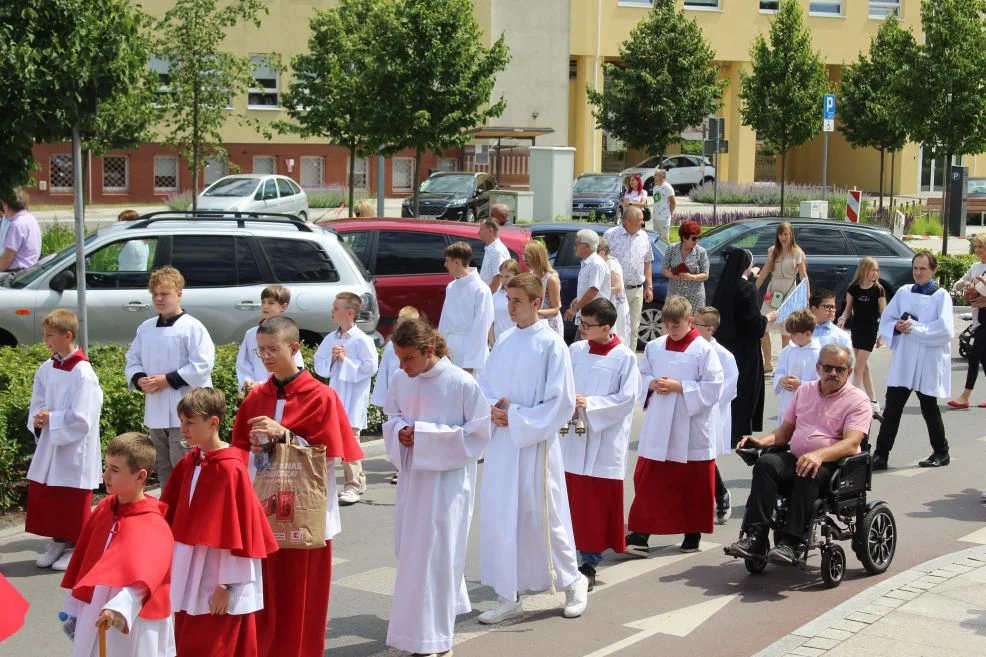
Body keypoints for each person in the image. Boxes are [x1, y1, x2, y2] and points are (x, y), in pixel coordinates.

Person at [232, 316, 363, 657]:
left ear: (294, 348)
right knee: (262, 594)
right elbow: (239, 453)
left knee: (301, 595)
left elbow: (328, 458)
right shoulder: (255, 397)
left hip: (305, 513)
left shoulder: (322, 397)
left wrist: (285, 435)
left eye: (273, 349)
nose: (266, 357)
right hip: (263, 510)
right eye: (261, 351)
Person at [476, 273, 589, 624]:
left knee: (545, 514)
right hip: (504, 444)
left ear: (537, 303)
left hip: (535, 443)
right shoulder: (506, 341)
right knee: (502, 515)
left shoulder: (552, 345)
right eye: (508, 300)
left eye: (517, 301)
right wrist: (493, 408)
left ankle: (573, 581)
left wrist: (519, 417)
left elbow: (562, 400)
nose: (509, 308)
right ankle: (508, 594)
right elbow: (485, 384)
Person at [382, 320, 490, 657]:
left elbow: (478, 435)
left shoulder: (461, 382)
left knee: (438, 556)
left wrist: (424, 435)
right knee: (411, 553)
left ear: (429, 351)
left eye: (408, 358)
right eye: (398, 358)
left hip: (447, 486)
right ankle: (420, 628)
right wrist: (400, 431)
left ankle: (435, 640)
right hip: (413, 481)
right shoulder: (402, 380)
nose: (401, 366)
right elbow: (391, 415)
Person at [725, 344, 870, 565]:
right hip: (799, 457)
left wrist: (819, 455)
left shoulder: (857, 400)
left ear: (849, 372)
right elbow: (784, 433)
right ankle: (756, 536)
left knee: (807, 468)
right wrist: (760, 441)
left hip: (834, 466)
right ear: (818, 367)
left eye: (840, 369)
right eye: (828, 368)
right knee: (766, 463)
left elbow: (851, 444)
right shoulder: (805, 391)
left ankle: (790, 543)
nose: (833, 373)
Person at [161, 388, 278, 657]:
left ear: (213, 423)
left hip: (219, 577)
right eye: (181, 421)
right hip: (191, 571)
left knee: (217, 644)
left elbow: (238, 532)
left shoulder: (230, 467)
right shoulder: (191, 461)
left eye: (190, 422)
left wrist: (228, 586)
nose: (183, 429)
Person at [60, 433, 176, 657]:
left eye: (114, 469)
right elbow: (84, 562)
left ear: (140, 476)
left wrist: (119, 607)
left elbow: (146, 580)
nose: (105, 475)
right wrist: (73, 606)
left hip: (131, 618)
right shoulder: (104, 508)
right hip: (95, 606)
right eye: (106, 466)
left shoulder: (152, 524)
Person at [626, 295, 723, 555]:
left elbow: (714, 387)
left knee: (693, 484)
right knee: (650, 480)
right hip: (659, 423)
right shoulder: (655, 346)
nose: (670, 330)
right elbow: (642, 373)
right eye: (666, 325)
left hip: (690, 425)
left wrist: (681, 387)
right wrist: (651, 384)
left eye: (676, 325)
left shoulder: (704, 350)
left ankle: (692, 533)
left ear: (690, 321)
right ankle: (640, 534)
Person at [563, 298, 639, 590]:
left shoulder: (624, 358)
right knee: (571, 498)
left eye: (587, 324)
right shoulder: (575, 350)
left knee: (594, 503)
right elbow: (562, 383)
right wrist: (567, 402)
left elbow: (626, 399)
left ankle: (589, 562)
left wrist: (589, 404)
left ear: (606, 327)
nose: (581, 328)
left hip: (603, 439)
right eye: (580, 322)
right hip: (573, 434)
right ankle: (567, 555)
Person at [26, 309, 103, 572]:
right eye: (44, 335)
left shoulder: (83, 373)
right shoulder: (47, 368)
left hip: (74, 449)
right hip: (50, 443)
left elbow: (84, 418)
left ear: (67, 335)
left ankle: (77, 546)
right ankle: (58, 541)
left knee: (72, 499)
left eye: (50, 335)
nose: (45, 340)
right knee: (51, 496)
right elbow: (37, 401)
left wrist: (54, 419)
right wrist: (37, 419)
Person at [125, 266, 215, 488]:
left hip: (184, 410)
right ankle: (169, 512)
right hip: (156, 410)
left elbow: (202, 364)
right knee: (163, 467)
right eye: (155, 294)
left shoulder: (193, 327)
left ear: (179, 294)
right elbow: (132, 359)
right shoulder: (145, 328)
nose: (158, 298)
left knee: (184, 463)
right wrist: (139, 379)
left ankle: (190, 511)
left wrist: (167, 380)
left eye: (164, 294)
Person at [873, 252, 953, 471]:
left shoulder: (941, 296)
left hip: (927, 360)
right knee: (892, 409)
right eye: (915, 268)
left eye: (923, 269)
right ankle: (881, 455)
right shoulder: (903, 292)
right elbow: (887, 319)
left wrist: (914, 329)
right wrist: (896, 328)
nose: (918, 273)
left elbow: (945, 329)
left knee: (929, 408)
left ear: (933, 270)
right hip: (905, 360)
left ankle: (941, 451)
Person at [314, 292, 379, 506]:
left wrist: (346, 361)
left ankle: (352, 485)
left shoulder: (363, 340)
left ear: (349, 313)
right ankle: (357, 480)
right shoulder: (330, 338)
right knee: (336, 436)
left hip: (354, 397)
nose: (332, 311)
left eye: (336, 308)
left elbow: (370, 367)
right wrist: (333, 360)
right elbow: (320, 364)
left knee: (350, 437)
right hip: (336, 393)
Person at [712, 249, 777, 447]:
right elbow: (753, 324)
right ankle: (738, 432)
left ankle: (723, 428)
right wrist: (767, 318)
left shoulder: (723, 285)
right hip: (744, 348)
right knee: (744, 389)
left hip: (724, 345)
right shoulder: (747, 289)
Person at [693, 306, 739, 525]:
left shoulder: (724, 355)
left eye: (697, 324)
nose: (691, 326)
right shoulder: (690, 349)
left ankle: (721, 495)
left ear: (709, 329)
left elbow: (730, 388)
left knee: (706, 459)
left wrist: (704, 397)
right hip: (688, 410)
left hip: (711, 414)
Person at [372, 305, 420, 485]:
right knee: (398, 430)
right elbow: (384, 371)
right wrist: (383, 397)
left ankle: (414, 465)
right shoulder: (391, 346)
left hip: (414, 394)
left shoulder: (419, 345)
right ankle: (399, 468)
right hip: (397, 394)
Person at [837, 257, 887, 419]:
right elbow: (847, 310)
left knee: (858, 367)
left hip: (870, 331)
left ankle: (853, 402)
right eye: (873, 270)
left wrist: (883, 335)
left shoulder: (878, 289)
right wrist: (842, 319)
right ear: (864, 270)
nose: (875, 273)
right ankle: (873, 402)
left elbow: (883, 313)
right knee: (864, 367)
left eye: (877, 270)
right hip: (857, 330)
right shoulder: (853, 289)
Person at [755, 222, 809, 370]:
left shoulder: (797, 252)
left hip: (789, 292)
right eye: (781, 234)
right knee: (763, 327)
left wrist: (806, 294)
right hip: (772, 292)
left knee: (786, 331)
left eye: (786, 234)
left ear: (791, 234)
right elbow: (765, 271)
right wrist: (753, 289)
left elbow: (804, 275)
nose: (783, 237)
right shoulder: (773, 251)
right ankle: (767, 363)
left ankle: (783, 363)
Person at [438, 241, 494, 375]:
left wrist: (470, 363)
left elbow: (481, 327)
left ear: (457, 261)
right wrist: (440, 349)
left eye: (447, 261)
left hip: (470, 351)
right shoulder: (451, 287)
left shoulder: (481, 290)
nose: (445, 265)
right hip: (451, 350)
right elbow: (444, 321)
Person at [236, 284, 305, 393]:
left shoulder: (286, 332)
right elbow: (243, 363)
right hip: (256, 392)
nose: (265, 306)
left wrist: (264, 385)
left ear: (283, 306)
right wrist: (248, 382)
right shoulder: (251, 334)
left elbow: (296, 366)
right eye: (263, 302)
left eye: (271, 303)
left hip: (279, 391)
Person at [604, 206, 654, 349]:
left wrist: (649, 286)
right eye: (640, 220)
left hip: (636, 290)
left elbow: (647, 262)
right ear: (629, 220)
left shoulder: (644, 236)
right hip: (617, 291)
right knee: (615, 327)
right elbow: (603, 260)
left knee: (633, 328)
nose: (642, 222)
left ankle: (631, 361)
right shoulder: (611, 235)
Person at [948, 235, 986, 409]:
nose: (977, 250)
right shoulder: (975, 267)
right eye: (976, 246)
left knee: (974, 353)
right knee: (983, 357)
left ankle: (965, 396)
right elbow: (956, 285)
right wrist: (964, 283)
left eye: (981, 246)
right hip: (979, 316)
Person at [773, 309, 820, 427]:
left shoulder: (820, 354)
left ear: (808, 334)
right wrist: (781, 380)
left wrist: (801, 384)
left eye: (794, 334)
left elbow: (822, 382)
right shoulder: (787, 351)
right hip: (788, 399)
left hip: (809, 403)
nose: (791, 337)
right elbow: (779, 371)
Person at [564, 229, 611, 324]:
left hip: (595, 317)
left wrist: (575, 308)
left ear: (587, 246)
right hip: (588, 316)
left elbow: (594, 290)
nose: (574, 247)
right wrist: (578, 299)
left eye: (577, 244)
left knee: (585, 339)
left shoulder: (596, 263)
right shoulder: (588, 263)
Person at [662, 220, 710, 310]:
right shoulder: (672, 249)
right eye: (694, 238)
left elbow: (706, 275)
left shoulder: (701, 252)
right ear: (684, 238)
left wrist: (691, 277)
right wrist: (672, 275)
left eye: (698, 237)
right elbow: (664, 269)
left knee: (693, 322)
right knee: (673, 321)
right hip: (674, 294)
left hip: (694, 296)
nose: (697, 241)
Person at [523, 240, 564, 337]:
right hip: (535, 323)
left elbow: (555, 310)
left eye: (528, 257)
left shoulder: (551, 279)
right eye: (524, 256)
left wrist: (534, 312)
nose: (525, 260)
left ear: (537, 257)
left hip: (549, 326)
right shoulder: (531, 276)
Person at [597, 238, 631, 344]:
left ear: (602, 252)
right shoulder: (605, 263)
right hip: (609, 301)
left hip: (615, 303)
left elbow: (617, 287)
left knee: (616, 332)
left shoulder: (612, 264)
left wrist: (599, 291)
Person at [0, 188, 41, 272]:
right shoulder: (29, 218)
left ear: (6, 205)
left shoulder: (17, 225)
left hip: (16, 272)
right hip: (29, 269)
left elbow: (8, 258)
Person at [492, 259, 521, 342]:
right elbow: (490, 322)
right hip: (497, 343)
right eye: (501, 276)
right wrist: (493, 343)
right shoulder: (496, 296)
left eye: (507, 276)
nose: (504, 280)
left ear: (516, 276)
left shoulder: (523, 296)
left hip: (516, 342)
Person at [479, 218, 511, 293]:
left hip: (493, 300)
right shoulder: (491, 248)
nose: (478, 232)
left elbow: (498, 279)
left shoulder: (497, 251)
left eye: (481, 229)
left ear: (490, 231)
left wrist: (486, 297)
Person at [650, 169, 675, 243]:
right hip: (655, 217)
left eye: (655, 175)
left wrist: (670, 213)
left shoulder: (667, 187)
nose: (653, 176)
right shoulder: (655, 188)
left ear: (661, 176)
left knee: (665, 239)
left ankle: (668, 254)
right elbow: (657, 201)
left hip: (664, 217)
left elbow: (673, 202)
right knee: (657, 238)